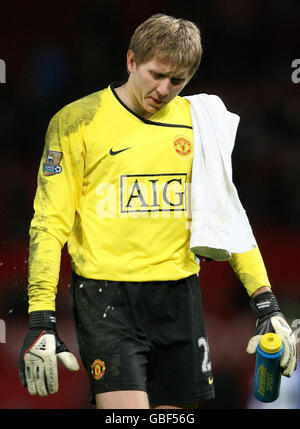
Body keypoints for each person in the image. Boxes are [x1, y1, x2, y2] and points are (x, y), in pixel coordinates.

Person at [19, 13, 297, 409]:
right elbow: (48, 224)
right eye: (156, 74)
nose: (164, 89)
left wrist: (266, 303)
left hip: (179, 297)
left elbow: (226, 216)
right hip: (106, 298)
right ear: (131, 61)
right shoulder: (76, 122)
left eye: (178, 81)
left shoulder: (200, 123)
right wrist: (40, 318)